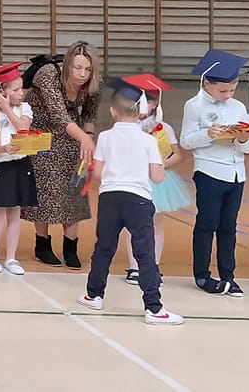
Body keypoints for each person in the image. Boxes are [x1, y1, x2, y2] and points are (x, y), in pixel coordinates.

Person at [78, 77, 183, 326]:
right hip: (138, 201)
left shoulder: (105, 137)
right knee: (145, 253)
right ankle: (154, 308)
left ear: (113, 111)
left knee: (104, 248)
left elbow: (97, 173)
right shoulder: (149, 140)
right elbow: (157, 177)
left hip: (109, 198)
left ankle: (94, 295)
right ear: (142, 112)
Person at [181, 49, 249, 296]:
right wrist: (208, 134)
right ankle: (202, 274)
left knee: (229, 227)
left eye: (232, 90)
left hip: (236, 174)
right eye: (223, 91)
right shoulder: (194, 106)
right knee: (207, 224)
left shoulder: (238, 107)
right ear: (207, 84)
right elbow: (186, 141)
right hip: (209, 171)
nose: (228, 95)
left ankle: (228, 276)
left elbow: (248, 147)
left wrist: (244, 138)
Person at [24, 44, 100, 269]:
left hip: (73, 137)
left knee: (74, 190)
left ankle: (70, 246)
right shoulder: (48, 74)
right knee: (45, 191)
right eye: (78, 68)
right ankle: (42, 244)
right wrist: (84, 139)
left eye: (87, 69)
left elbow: (89, 114)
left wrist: (88, 136)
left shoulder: (94, 82)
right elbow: (58, 115)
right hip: (41, 134)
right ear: (67, 65)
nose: (82, 74)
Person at [121, 75, 191, 283]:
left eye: (148, 101)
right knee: (133, 225)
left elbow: (177, 154)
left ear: (155, 104)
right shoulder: (126, 126)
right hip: (133, 179)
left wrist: (158, 166)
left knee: (155, 225)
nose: (143, 106)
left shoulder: (163, 128)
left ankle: (153, 265)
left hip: (158, 180)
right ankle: (134, 266)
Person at [0, 62, 35, 275]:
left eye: (22, 88)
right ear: (1, 92)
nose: (22, 93)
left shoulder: (24, 109)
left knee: (15, 212)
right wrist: (4, 148)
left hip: (21, 164)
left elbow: (23, 127)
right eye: (16, 89)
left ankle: (11, 257)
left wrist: (7, 108)